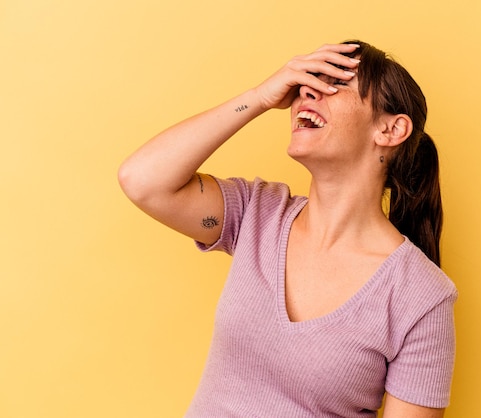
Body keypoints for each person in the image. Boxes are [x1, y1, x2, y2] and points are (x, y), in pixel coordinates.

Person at [118, 40, 457, 418]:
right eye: (306, 83)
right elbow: (143, 179)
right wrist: (260, 97)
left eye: (335, 84)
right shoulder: (257, 213)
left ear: (391, 129)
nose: (306, 91)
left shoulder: (423, 296)